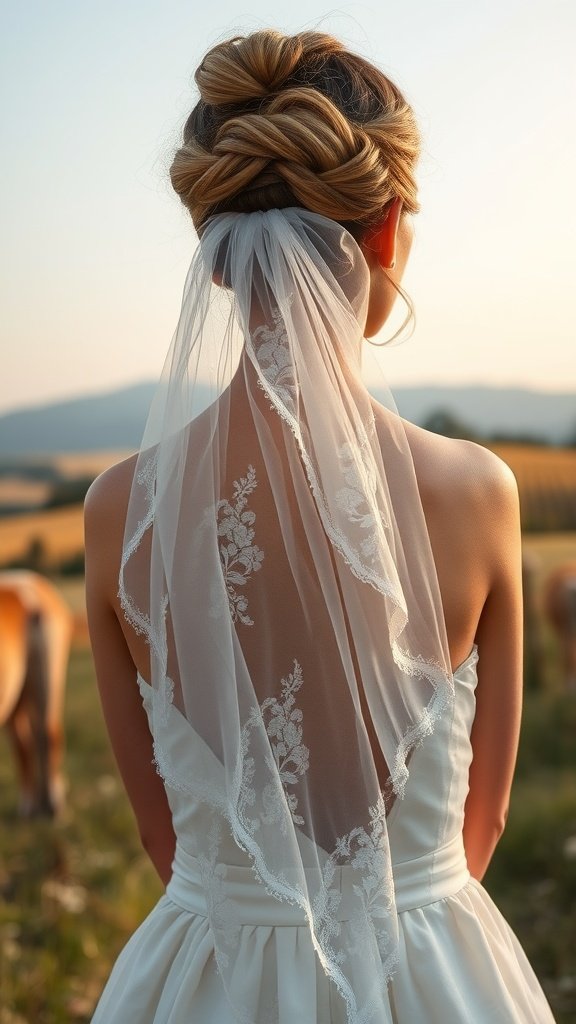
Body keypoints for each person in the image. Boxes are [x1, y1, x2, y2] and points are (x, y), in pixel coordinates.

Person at [84, 29, 556, 1024]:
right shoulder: (482, 490)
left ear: (213, 260)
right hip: (431, 975)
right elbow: (487, 823)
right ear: (385, 233)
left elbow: (163, 841)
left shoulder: (118, 514)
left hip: (205, 981)